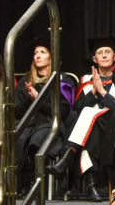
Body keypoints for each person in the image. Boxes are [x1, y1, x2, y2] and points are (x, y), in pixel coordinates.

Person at [47, 36, 115, 202]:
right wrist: (93, 91)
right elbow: (76, 109)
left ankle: (67, 159)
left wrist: (102, 93)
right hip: (91, 129)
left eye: (107, 52)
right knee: (89, 124)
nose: (104, 55)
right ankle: (91, 186)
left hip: (113, 126)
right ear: (94, 59)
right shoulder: (86, 80)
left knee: (89, 114)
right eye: (100, 53)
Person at [15, 36, 75, 195]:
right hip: (27, 125)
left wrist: (38, 100)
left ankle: (35, 184)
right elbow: (17, 112)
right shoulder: (25, 81)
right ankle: (22, 182)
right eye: (36, 53)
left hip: (50, 124)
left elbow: (63, 113)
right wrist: (30, 99)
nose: (38, 56)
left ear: (51, 56)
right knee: (18, 139)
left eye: (43, 52)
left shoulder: (61, 80)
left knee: (36, 140)